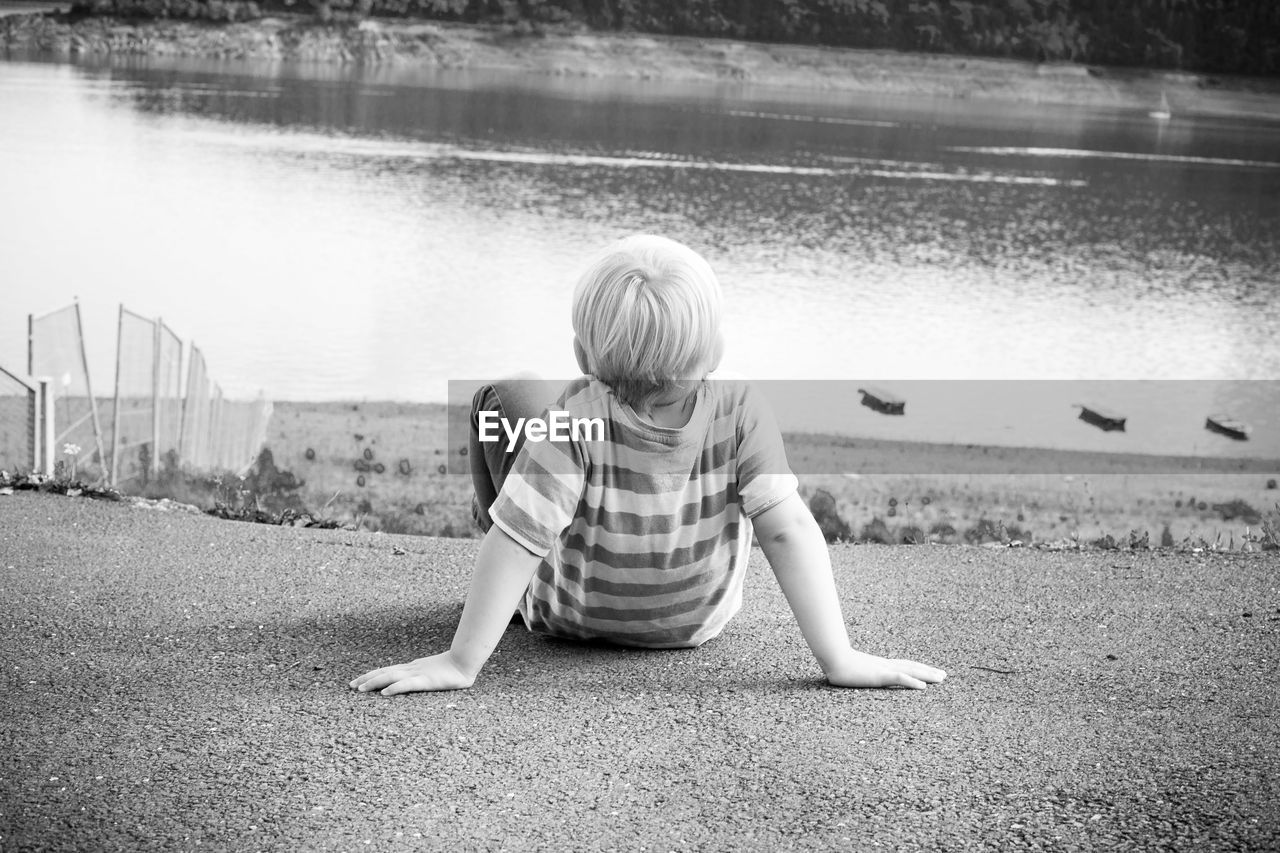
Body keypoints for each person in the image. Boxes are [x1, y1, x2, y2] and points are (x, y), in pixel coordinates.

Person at [350, 235, 946, 695]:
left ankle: (507, 587)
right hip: (692, 627)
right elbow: (787, 528)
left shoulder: (575, 412)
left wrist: (462, 662)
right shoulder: (741, 409)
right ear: (714, 350)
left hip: (566, 617)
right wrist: (838, 658)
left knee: (505, 397)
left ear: (582, 354)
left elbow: (518, 536)